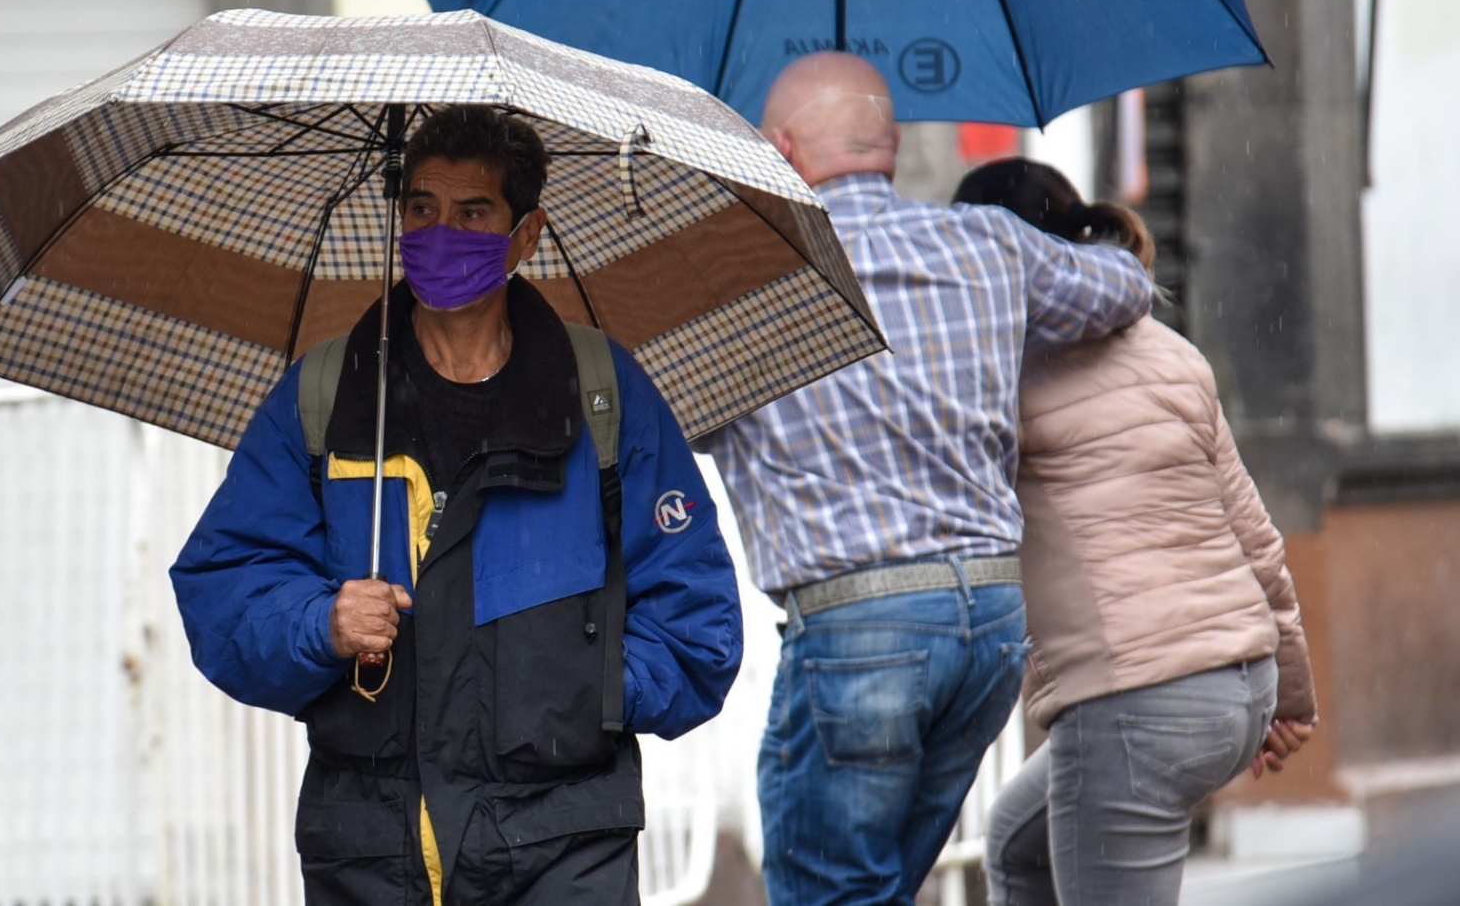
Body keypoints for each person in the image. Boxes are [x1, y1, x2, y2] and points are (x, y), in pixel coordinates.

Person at [171, 107, 743, 906]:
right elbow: (222, 586)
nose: (442, 232)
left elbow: (697, 629)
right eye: (421, 209)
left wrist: (579, 690)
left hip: (562, 845)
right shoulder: (326, 396)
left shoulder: (603, 394)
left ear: (525, 234)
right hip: (367, 847)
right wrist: (320, 623)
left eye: (473, 213)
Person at [698, 52, 1156, 906]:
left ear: (782, 148)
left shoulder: (751, 277)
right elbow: (1122, 288)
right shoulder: (988, 243)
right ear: (891, 146)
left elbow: (688, 422)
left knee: (830, 891)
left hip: (859, 626)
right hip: (987, 625)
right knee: (877, 886)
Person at [956, 158, 1318, 906]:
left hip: (1139, 705)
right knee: (1017, 846)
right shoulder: (1171, 352)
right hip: (1237, 685)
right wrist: (1291, 695)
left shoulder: (999, 374)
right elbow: (1256, 538)